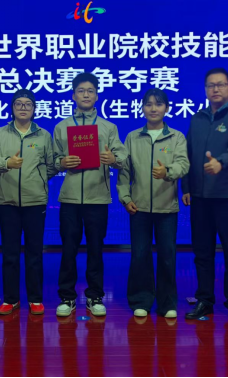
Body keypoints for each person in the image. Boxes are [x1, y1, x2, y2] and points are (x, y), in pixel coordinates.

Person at [181, 68, 228, 325]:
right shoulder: (197, 118)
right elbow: (188, 154)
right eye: (211, 85)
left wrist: (220, 162)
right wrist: (186, 186)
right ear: (205, 90)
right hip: (200, 197)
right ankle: (205, 300)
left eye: (221, 85)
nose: (215, 89)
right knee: (202, 253)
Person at [53, 72, 127, 318]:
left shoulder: (108, 127)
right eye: (81, 91)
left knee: (96, 249)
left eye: (90, 91)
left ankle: (95, 296)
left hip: (98, 198)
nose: (86, 95)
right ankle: (67, 297)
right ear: (73, 95)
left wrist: (113, 158)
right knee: (68, 249)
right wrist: (62, 162)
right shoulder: (61, 127)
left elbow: (122, 157)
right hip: (70, 198)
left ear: (96, 96)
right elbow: (52, 160)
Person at [118, 88, 190, 319]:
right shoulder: (132, 137)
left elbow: (183, 164)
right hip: (138, 207)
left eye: (158, 104)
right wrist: (125, 198)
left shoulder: (176, 137)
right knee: (140, 255)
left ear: (166, 108)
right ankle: (141, 300)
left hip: (167, 207)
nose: (153, 108)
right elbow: (124, 172)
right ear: (142, 108)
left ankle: (167, 303)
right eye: (148, 104)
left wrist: (167, 172)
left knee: (167, 256)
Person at [0, 89, 57, 316]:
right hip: (7, 202)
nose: (23, 107)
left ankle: (35, 299)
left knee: (35, 253)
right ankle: (11, 299)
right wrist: (7, 163)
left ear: (34, 109)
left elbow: (51, 165)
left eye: (28, 104)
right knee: (10, 254)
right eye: (19, 104)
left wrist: (36, 179)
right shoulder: (0, 132)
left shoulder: (44, 135)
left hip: (35, 201)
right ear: (12, 108)